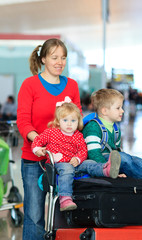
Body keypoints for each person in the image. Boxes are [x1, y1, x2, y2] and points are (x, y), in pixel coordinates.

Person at [16, 38, 82, 240]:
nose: (59, 62)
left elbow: (78, 120)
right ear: (43, 58)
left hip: (65, 163)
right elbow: (23, 120)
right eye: (54, 57)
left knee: (64, 214)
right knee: (35, 216)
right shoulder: (30, 85)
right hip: (36, 160)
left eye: (63, 58)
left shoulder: (72, 85)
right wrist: (40, 141)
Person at [31, 100, 122, 211]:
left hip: (75, 163)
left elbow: (83, 150)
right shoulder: (51, 133)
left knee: (90, 163)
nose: (69, 124)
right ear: (59, 121)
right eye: (65, 120)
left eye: (73, 121)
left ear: (78, 122)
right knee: (67, 168)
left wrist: (78, 159)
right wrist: (37, 149)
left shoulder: (78, 136)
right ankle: (65, 199)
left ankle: (106, 170)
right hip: (58, 164)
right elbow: (38, 140)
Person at [82, 89, 142, 196]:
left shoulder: (115, 128)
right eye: (118, 108)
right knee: (123, 159)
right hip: (100, 163)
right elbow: (93, 154)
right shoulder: (93, 127)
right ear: (104, 111)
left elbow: (117, 148)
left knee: (139, 162)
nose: (122, 111)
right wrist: (107, 170)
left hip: (112, 159)